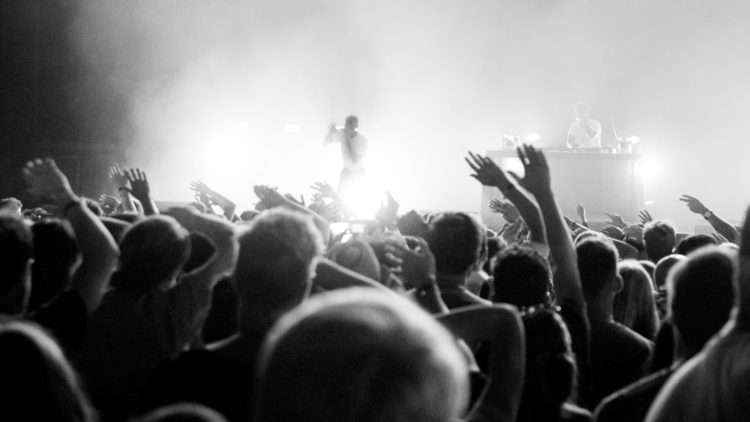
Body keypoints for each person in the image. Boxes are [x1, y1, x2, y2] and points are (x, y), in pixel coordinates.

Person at [324, 115, 368, 198]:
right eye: (347, 125)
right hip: (346, 171)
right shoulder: (342, 135)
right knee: (339, 196)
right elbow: (325, 142)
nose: (348, 128)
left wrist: (346, 138)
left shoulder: (362, 140)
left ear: (356, 126)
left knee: (357, 197)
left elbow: (354, 160)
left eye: (351, 125)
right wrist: (331, 132)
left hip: (359, 172)